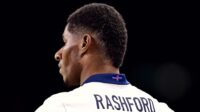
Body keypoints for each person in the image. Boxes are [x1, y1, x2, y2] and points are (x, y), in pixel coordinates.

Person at [35, 3, 174, 112]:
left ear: (84, 43)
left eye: (65, 42)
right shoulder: (159, 108)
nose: (58, 54)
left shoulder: (61, 106)